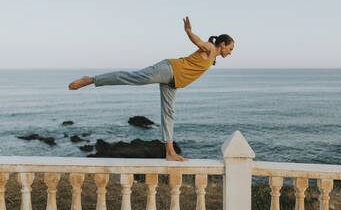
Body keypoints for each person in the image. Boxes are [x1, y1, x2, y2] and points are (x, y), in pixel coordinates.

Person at [68, 16, 235, 162]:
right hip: (168, 69)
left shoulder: (212, 56)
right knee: (135, 78)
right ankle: (92, 79)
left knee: (168, 113)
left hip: (173, 82)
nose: (230, 52)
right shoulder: (211, 48)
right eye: (230, 48)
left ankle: (170, 152)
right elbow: (198, 41)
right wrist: (189, 32)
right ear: (222, 44)